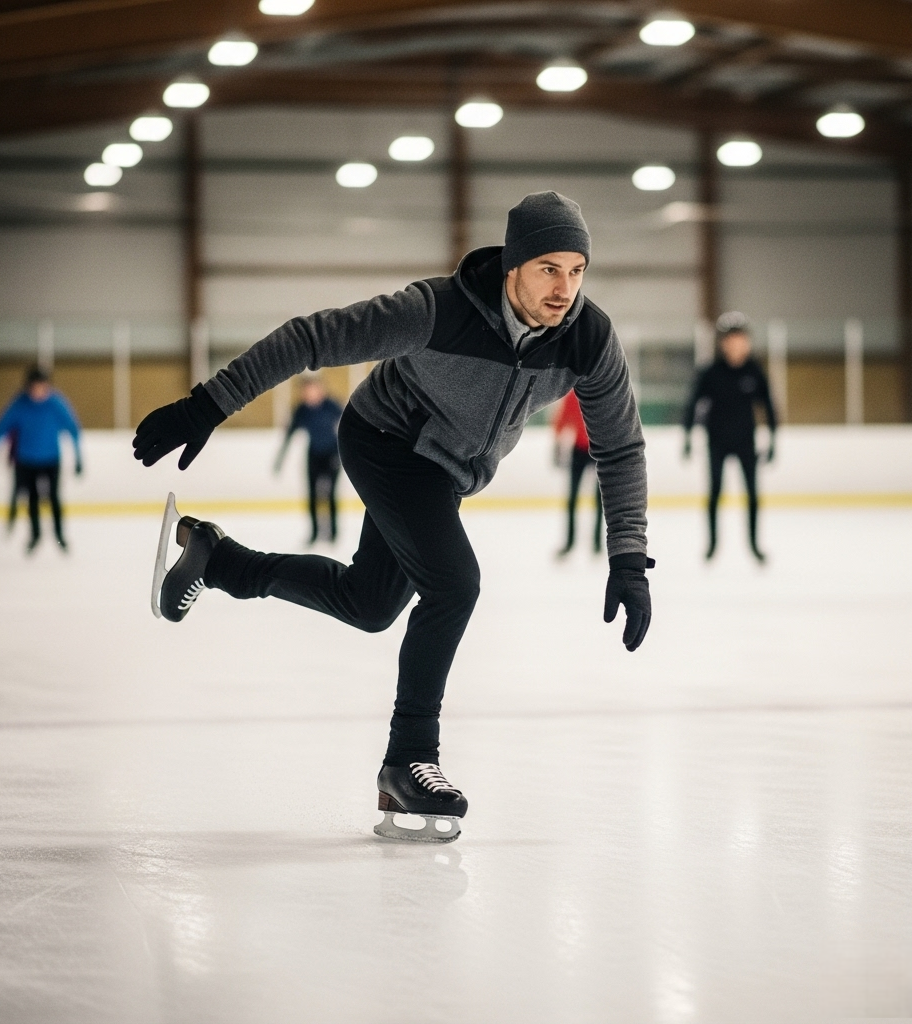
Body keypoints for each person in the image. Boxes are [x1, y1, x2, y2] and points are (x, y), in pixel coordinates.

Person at [133, 191, 653, 843]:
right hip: (386, 441)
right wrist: (207, 404)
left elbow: (619, 445)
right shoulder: (440, 311)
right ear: (513, 264)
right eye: (549, 268)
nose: (564, 289)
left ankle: (219, 560)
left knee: (370, 603)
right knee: (454, 584)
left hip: (446, 473)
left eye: (577, 271)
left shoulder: (588, 338)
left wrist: (628, 558)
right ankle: (409, 759)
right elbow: (312, 337)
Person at [683, 311, 777, 563]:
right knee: (714, 492)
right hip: (717, 441)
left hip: (746, 442)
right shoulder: (711, 372)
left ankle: (754, 545)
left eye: (740, 338)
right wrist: (687, 437)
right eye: (730, 339)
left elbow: (768, 406)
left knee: (753, 495)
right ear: (722, 343)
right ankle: (712, 544)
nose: (736, 344)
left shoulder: (754, 371)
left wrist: (773, 441)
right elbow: (693, 404)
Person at [0, 366, 82, 552]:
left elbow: (73, 428)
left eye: (41, 387)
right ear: (28, 386)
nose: (38, 391)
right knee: (32, 499)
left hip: (51, 460)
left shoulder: (55, 403)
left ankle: (59, 534)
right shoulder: (20, 404)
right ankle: (35, 534)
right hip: (26, 460)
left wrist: (79, 457)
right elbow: (1, 427)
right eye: (34, 387)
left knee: (54, 497)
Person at [274, 375, 343, 543]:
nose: (308, 393)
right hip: (313, 455)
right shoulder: (301, 410)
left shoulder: (331, 406)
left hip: (332, 455)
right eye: (305, 390)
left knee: (330, 494)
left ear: (320, 389)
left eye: (311, 389)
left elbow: (347, 426)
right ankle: (314, 533)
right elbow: (290, 434)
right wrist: (280, 459)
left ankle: (333, 533)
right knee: (312, 496)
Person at [553, 389, 603, 558]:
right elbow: (562, 420)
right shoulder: (573, 396)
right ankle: (570, 542)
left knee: (600, 498)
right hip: (580, 450)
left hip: (599, 449)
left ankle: (597, 543)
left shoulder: (600, 392)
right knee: (573, 498)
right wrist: (557, 445)